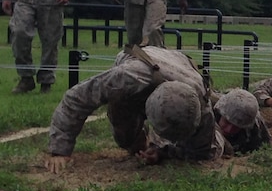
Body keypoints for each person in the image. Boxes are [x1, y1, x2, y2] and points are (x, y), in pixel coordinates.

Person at [45, 46, 223, 174]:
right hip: (141, 64)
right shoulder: (127, 77)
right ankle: (138, 136)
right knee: (126, 138)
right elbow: (77, 97)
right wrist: (60, 150)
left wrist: (162, 152)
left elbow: (202, 151)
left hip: (179, 65)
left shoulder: (200, 100)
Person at [214, 88, 271, 155]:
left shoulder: (254, 125)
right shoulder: (208, 113)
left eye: (236, 127)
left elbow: (264, 146)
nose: (229, 130)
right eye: (227, 122)